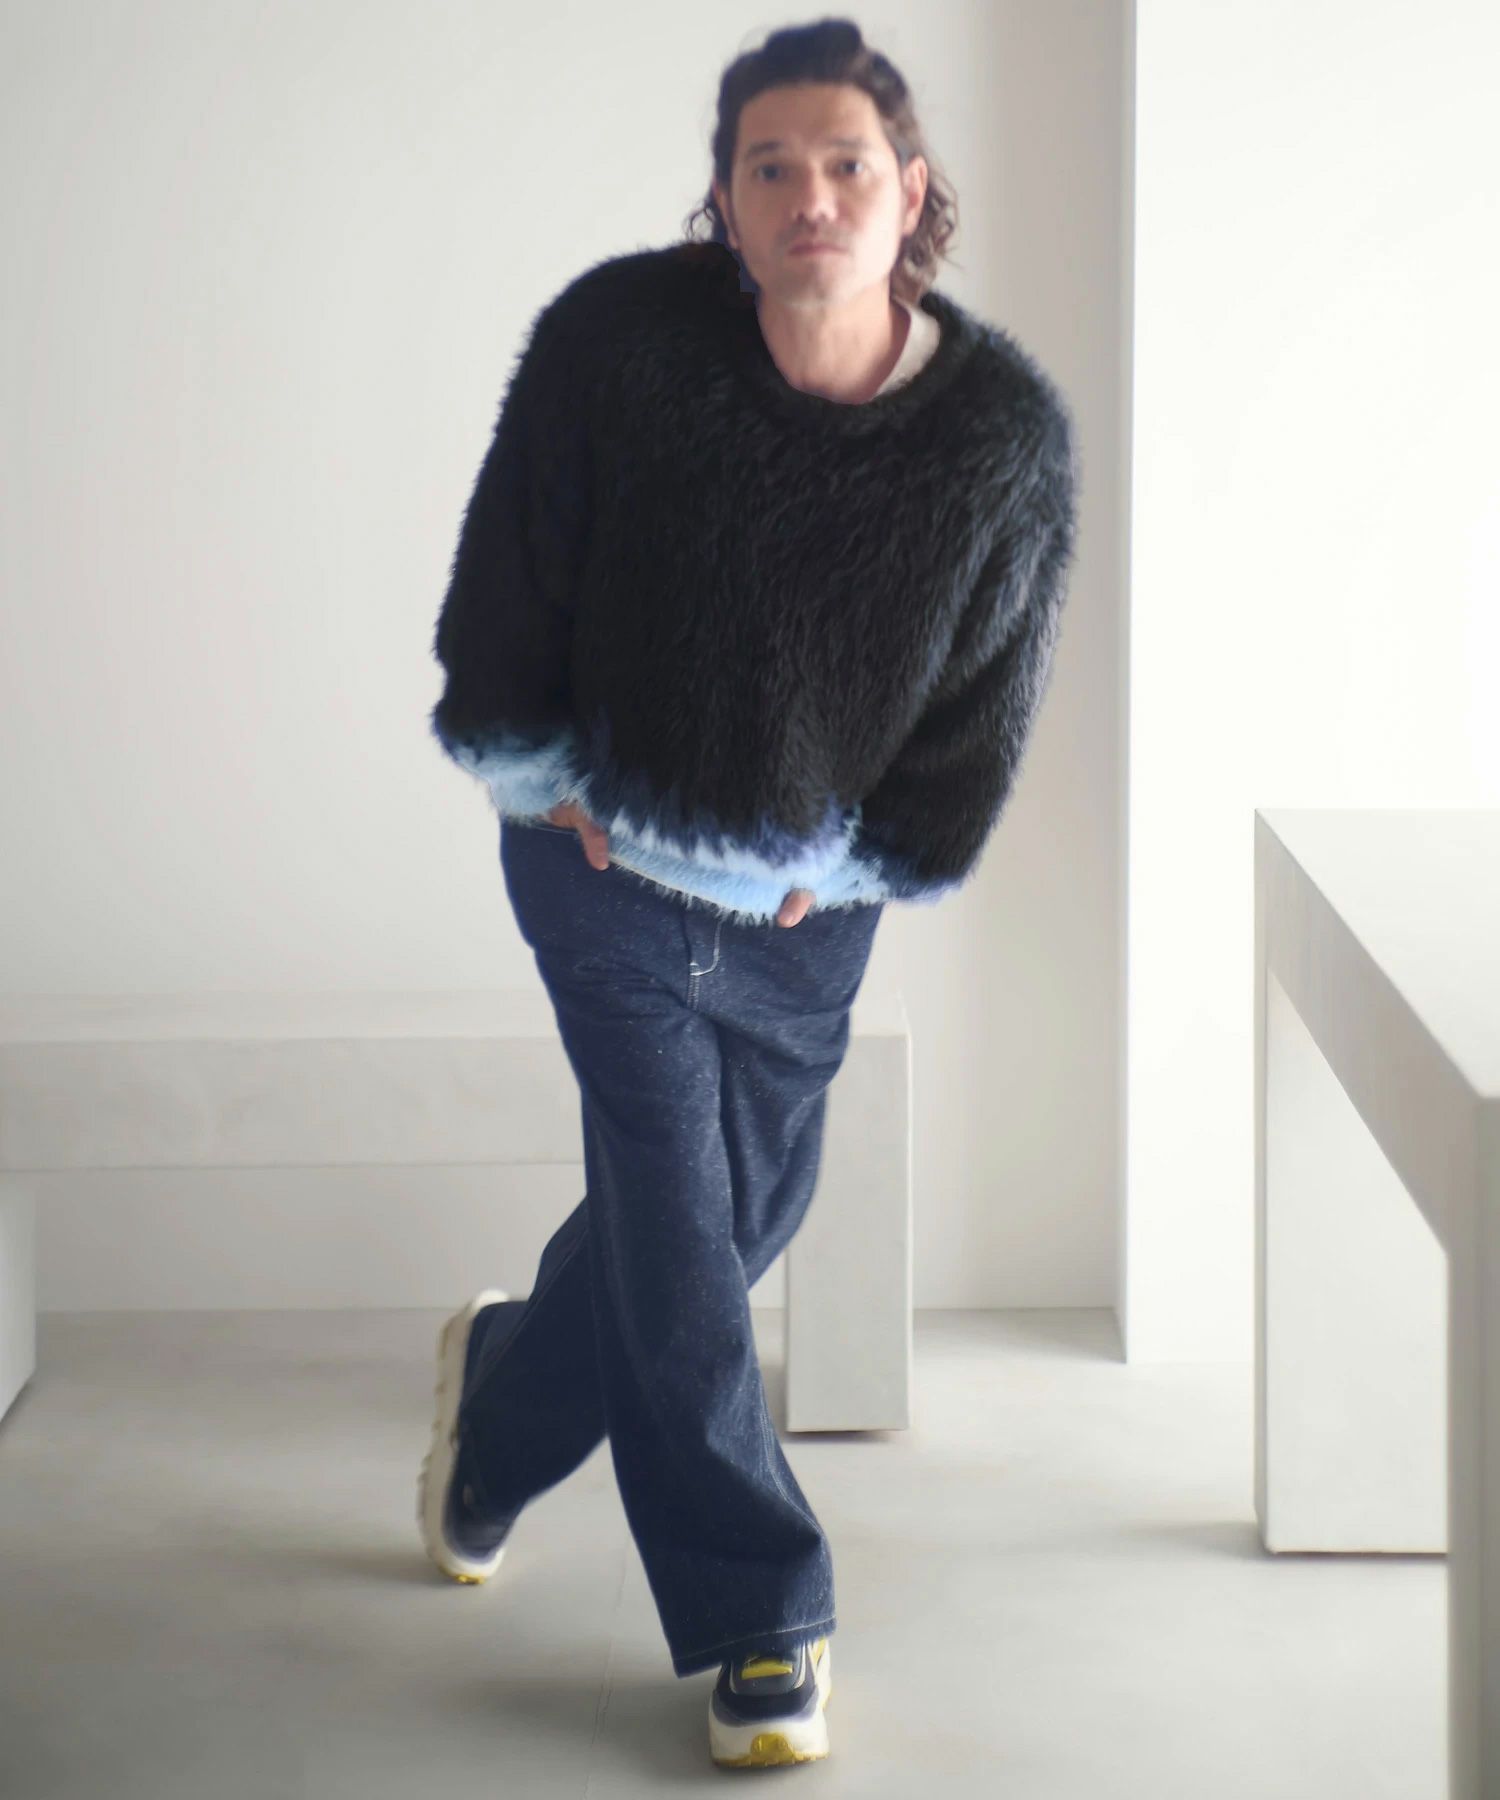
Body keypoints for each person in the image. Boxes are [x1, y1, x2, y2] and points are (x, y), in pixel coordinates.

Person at [416, 16, 1079, 1771]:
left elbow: (981, 707)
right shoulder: (617, 344)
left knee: (738, 1221)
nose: (809, 198)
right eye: (768, 166)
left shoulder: (999, 439)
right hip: (600, 875)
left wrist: (853, 866)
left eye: (846, 165)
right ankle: (764, 1620)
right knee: (680, 1245)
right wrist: (537, 779)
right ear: (723, 195)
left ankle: (503, 1408)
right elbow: (508, 578)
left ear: (910, 191)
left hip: (805, 914)